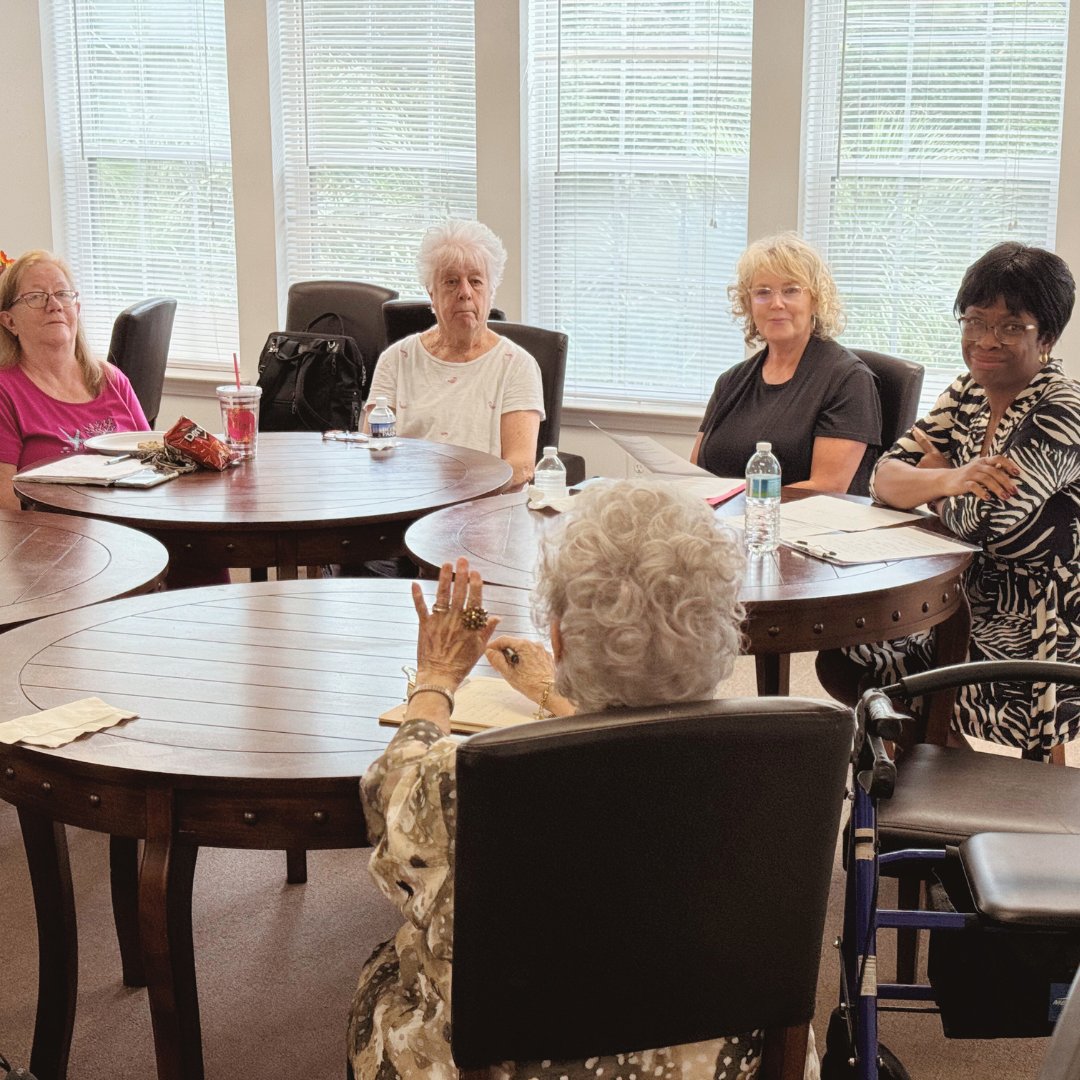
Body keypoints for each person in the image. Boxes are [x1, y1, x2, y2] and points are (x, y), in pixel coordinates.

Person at [347, 480, 818, 1079]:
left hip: (515, 1064)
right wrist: (553, 695)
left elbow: (389, 822)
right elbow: (636, 752)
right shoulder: (784, 758)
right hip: (718, 1064)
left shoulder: (462, 775)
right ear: (724, 622)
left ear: (561, 636)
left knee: (384, 972)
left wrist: (436, 681)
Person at [823, 242, 1080, 761]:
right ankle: (940, 756)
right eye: (974, 320)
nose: (985, 340)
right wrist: (953, 479)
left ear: (1047, 336)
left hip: (1029, 629)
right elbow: (883, 477)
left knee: (887, 682)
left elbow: (989, 522)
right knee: (841, 656)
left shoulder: (1062, 410)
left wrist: (934, 482)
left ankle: (941, 762)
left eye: (1011, 326)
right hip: (952, 601)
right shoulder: (967, 391)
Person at [691, 233, 881, 493]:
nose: (776, 303)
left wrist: (739, 504)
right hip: (723, 523)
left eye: (791, 290)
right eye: (762, 292)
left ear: (815, 299)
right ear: (748, 304)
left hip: (801, 528)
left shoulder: (848, 380)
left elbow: (827, 488)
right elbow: (695, 474)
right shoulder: (730, 382)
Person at [366, 219, 545, 487]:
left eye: (475, 281)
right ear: (431, 293)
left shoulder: (518, 365)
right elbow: (372, 452)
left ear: (491, 291)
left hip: (484, 510)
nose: (465, 292)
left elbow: (521, 466)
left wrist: (460, 490)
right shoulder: (395, 360)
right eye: (451, 281)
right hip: (406, 503)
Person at [0, 249, 148, 510]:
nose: (54, 305)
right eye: (35, 297)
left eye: (62, 294)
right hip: (53, 538)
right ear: (9, 321)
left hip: (134, 527)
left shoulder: (111, 379)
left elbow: (154, 464)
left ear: (76, 310)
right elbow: (5, 504)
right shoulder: (5, 391)